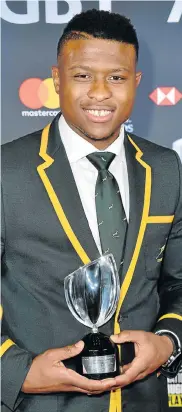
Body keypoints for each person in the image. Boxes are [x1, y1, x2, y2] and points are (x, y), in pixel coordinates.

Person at [1, 8, 182, 412]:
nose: (100, 93)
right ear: (57, 79)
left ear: (135, 82)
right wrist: (18, 371)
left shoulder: (166, 168)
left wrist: (167, 340)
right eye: (82, 75)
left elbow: (178, 283)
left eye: (116, 78)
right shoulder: (6, 171)